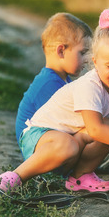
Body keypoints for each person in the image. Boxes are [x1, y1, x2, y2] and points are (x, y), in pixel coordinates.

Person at [0, 5, 109, 193]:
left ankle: (80, 177)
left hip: (68, 142)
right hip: (39, 137)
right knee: (90, 134)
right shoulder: (89, 86)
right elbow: (95, 130)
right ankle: (15, 177)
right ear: (95, 62)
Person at [14, 13, 92, 156]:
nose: (87, 59)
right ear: (61, 51)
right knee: (93, 129)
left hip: (55, 143)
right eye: (82, 53)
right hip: (41, 151)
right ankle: (108, 157)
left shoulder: (63, 80)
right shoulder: (49, 84)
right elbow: (71, 123)